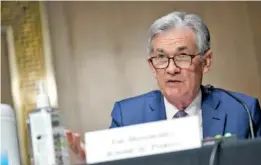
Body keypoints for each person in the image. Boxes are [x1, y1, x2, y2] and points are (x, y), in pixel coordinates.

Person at [67, 11, 261, 159]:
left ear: (206, 62)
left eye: (182, 56)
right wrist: (92, 161)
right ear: (152, 66)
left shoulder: (242, 110)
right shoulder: (128, 116)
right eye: (161, 58)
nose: (171, 69)